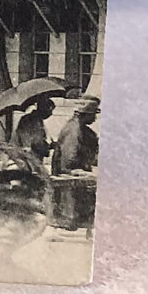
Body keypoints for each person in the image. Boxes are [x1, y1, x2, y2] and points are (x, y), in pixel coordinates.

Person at [52, 96, 100, 231]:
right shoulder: (74, 131)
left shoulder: (82, 129)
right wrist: (83, 172)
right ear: (87, 114)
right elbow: (68, 163)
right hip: (69, 183)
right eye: (94, 114)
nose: (95, 118)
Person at [12, 97, 54, 164]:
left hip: (28, 157)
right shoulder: (33, 121)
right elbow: (36, 143)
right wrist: (48, 148)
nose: (51, 113)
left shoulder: (34, 120)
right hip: (29, 159)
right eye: (50, 110)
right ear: (43, 109)